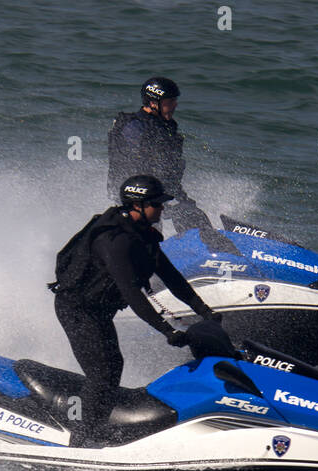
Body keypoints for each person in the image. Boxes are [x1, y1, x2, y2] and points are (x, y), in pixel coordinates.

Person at [49, 174, 222, 448]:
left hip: (99, 310)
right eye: (157, 204)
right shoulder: (115, 241)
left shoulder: (143, 237)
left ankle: (96, 427)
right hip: (77, 309)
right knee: (102, 372)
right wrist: (167, 331)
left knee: (113, 367)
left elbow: (172, 277)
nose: (162, 209)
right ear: (138, 205)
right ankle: (81, 440)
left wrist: (205, 311)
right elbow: (132, 293)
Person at [107, 76, 212, 233]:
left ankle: (209, 246)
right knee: (153, 227)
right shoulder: (134, 127)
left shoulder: (166, 126)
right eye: (169, 102)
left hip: (162, 188)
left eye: (174, 101)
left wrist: (176, 194)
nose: (175, 105)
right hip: (137, 195)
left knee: (191, 212)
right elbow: (131, 164)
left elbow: (169, 165)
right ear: (153, 103)